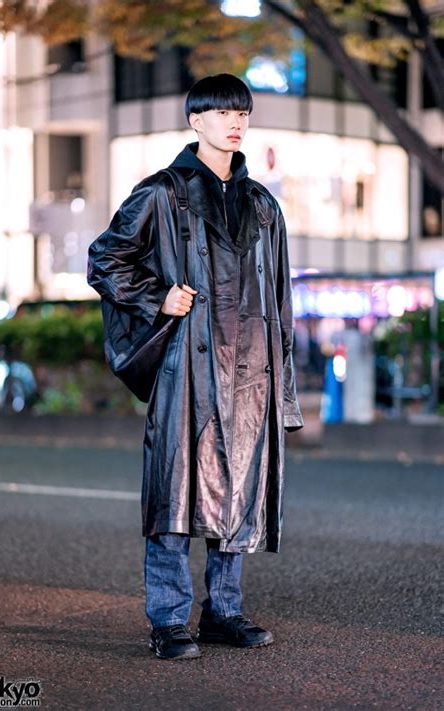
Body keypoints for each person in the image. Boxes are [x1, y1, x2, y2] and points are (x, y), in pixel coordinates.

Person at [87, 73, 304, 661]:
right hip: (189, 368)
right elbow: (105, 257)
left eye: (243, 112)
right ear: (196, 121)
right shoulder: (164, 192)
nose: (235, 121)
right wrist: (156, 295)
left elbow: (280, 298)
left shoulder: (263, 206)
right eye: (222, 112)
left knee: (238, 495)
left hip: (251, 371)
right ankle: (169, 619)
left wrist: (283, 388)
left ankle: (224, 612)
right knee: (176, 496)